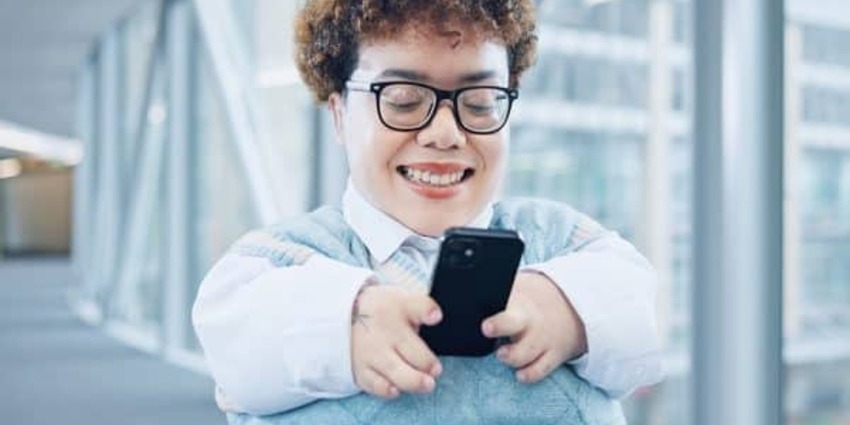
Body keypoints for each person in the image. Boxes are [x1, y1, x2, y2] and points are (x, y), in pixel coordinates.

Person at [192, 1, 664, 424]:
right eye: (402, 101)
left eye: (479, 104)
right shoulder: (283, 259)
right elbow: (232, 340)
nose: (445, 133)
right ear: (338, 114)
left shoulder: (556, 237)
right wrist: (344, 319)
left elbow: (641, 315)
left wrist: (569, 308)